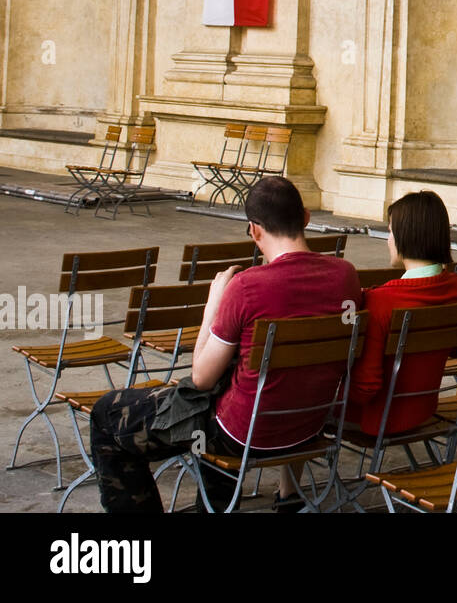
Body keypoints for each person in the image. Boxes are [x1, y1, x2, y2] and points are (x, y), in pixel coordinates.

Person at [89, 176, 362, 513]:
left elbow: (200, 378)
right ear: (305, 218)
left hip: (243, 434)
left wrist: (212, 306)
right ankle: (215, 502)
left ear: (254, 230)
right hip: (307, 425)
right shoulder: (345, 275)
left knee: (106, 414)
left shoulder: (246, 287)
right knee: (227, 391)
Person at [345, 191, 457, 437]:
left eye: (391, 231)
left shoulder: (380, 302)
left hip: (379, 420)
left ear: (405, 236)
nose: (388, 240)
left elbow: (365, 388)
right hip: (425, 408)